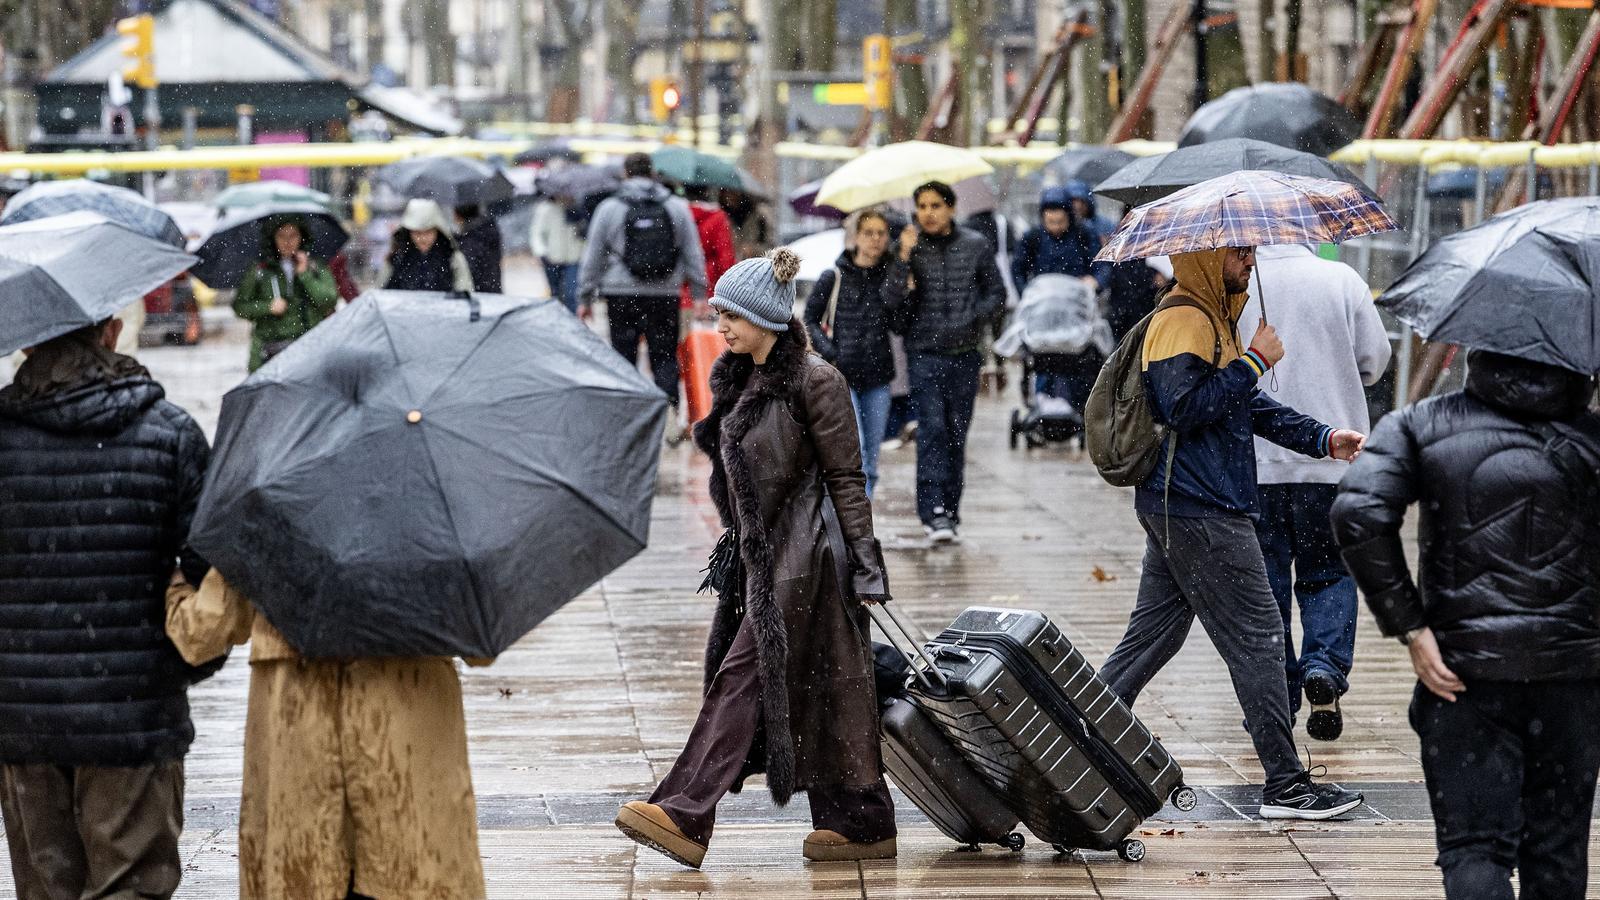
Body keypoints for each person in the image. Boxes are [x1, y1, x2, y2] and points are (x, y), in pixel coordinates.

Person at [615, 249, 895, 869]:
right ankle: (862, 822)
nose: (722, 328)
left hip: (809, 558)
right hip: (760, 557)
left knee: (742, 678)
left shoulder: (816, 381)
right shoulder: (742, 376)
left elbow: (848, 478)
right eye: (719, 315)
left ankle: (686, 812)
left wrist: (867, 566)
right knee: (825, 687)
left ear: (766, 316)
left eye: (731, 317)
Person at [1097, 246, 1369, 820]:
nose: (1249, 260)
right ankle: (1287, 785)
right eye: (1238, 251)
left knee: (1151, 639)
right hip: (1203, 509)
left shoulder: (1214, 314)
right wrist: (1251, 361)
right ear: (1205, 257)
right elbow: (1182, 406)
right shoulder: (1184, 319)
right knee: (1260, 639)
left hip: (1185, 506)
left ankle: (1076, 737)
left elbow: (1247, 409)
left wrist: (1324, 439)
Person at [1332, 350, 1600, 899]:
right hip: (1574, 681)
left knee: (1474, 850)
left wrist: (1410, 626)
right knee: (1557, 854)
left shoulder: (1422, 423)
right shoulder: (1592, 436)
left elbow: (1357, 510)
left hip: (1462, 676)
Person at [0, 317, 213, 900]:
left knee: (46, 889)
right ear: (113, 331)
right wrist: (176, 671)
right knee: (133, 887)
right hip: (134, 718)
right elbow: (210, 580)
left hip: (22, 723)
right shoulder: (170, 433)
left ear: (25, 338)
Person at [165, 569, 488, 899]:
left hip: (300, 746)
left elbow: (200, 634)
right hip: (407, 754)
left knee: (304, 874)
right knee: (412, 875)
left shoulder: (267, 521)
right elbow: (482, 641)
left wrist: (176, 583)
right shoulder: (428, 528)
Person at [1238, 244, 1392, 742]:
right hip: (1333, 458)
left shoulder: (1237, 283)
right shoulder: (1342, 279)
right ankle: (1323, 666)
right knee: (1330, 570)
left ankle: (1276, 695)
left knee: (1266, 588)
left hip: (1255, 463)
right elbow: (1374, 361)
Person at [882, 181, 1006, 543]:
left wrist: (974, 318)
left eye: (936, 205)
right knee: (932, 429)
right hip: (923, 353)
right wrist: (903, 257)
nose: (928, 213)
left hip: (964, 356)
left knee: (955, 433)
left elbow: (996, 293)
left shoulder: (975, 245)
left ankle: (951, 510)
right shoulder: (908, 248)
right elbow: (890, 302)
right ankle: (932, 511)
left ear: (951, 208)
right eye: (922, 206)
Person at [579, 153, 708, 436]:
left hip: (619, 293)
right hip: (664, 292)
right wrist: (699, 293)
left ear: (626, 173)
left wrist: (585, 297)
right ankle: (670, 420)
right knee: (663, 356)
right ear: (652, 173)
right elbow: (692, 251)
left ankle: (626, 420)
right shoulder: (676, 206)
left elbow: (593, 255)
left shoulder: (609, 208)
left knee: (623, 356)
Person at [803, 210, 896, 497]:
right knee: (856, 453)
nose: (876, 239)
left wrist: (902, 269)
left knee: (873, 455)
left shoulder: (891, 277)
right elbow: (809, 320)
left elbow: (899, 319)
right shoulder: (834, 276)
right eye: (869, 232)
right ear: (855, 237)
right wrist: (831, 354)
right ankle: (855, 521)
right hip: (843, 375)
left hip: (878, 376)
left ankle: (861, 515)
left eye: (881, 233)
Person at [232, 215, 342, 372]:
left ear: (301, 237)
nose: (287, 241)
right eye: (281, 236)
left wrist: (305, 275)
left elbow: (329, 300)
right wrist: (267, 307)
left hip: (308, 348)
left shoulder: (316, 267)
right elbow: (240, 306)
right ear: (273, 238)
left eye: (293, 235)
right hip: (269, 353)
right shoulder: (260, 270)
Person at [1011, 185, 1107, 296]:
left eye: (1060, 222)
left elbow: (1102, 264)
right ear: (1043, 219)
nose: (1056, 227)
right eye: (1051, 222)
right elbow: (1018, 269)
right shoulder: (1033, 237)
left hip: (1076, 299)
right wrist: (1026, 292)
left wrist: (1096, 281)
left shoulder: (1084, 234)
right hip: (1042, 299)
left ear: (1069, 217)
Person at [380, 198, 474, 293]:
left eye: (428, 232)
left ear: (438, 230)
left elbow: (465, 292)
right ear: (409, 232)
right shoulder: (396, 257)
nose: (423, 238)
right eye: (417, 233)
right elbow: (380, 292)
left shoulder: (452, 258)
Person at [530, 194, 586, 313]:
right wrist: (542, 253)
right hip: (552, 259)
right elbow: (537, 233)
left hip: (574, 258)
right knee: (555, 295)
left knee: (571, 294)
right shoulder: (545, 209)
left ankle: (572, 322)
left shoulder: (578, 208)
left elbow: (584, 234)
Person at [454, 203, 503, 294]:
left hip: (480, 294)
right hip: (494, 290)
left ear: (457, 215)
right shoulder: (488, 229)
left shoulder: (469, 239)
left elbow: (468, 268)